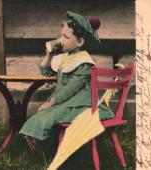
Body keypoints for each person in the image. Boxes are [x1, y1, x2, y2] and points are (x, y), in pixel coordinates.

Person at [19, 11, 114, 157]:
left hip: (80, 104)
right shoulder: (65, 58)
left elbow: (71, 89)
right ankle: (46, 151)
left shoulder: (84, 62)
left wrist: (51, 103)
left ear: (80, 42)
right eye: (61, 35)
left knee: (47, 115)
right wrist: (49, 55)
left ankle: (54, 152)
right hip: (66, 102)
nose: (61, 40)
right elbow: (46, 72)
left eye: (66, 37)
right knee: (41, 115)